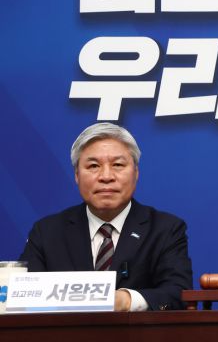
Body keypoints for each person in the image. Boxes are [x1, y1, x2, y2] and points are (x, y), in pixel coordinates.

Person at [20, 122, 193, 311]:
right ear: (77, 175)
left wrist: (126, 300)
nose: (106, 176)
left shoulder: (165, 229)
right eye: (93, 166)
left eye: (118, 165)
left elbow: (179, 293)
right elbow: (23, 295)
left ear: (136, 173)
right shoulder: (47, 232)